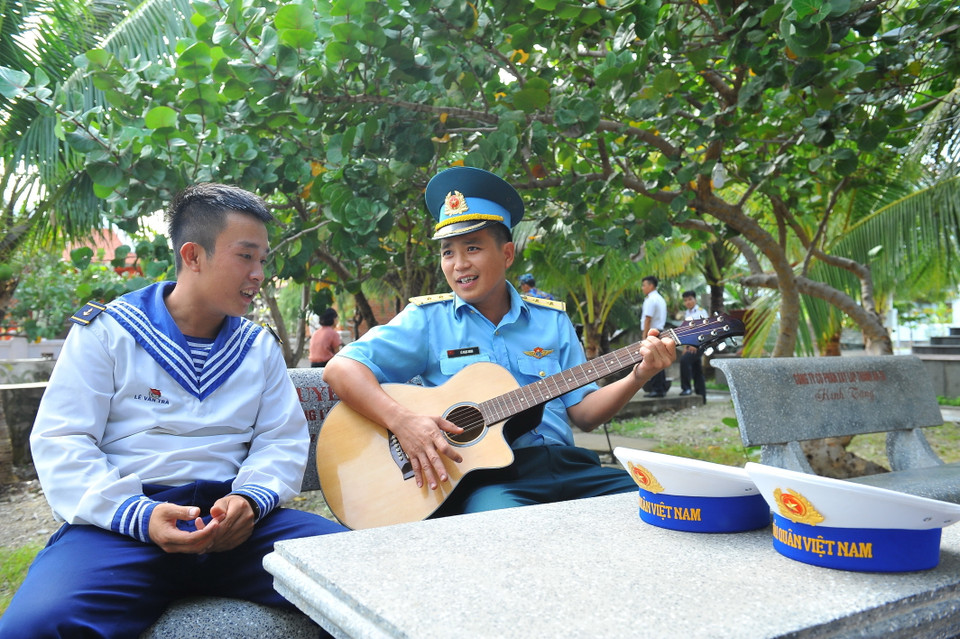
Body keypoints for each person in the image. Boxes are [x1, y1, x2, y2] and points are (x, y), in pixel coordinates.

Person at [0, 183, 346, 639]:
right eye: (246, 256)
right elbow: (62, 438)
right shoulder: (109, 333)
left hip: (239, 524)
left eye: (263, 259)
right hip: (122, 526)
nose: (259, 273)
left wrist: (250, 499)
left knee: (367, 572)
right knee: (33, 626)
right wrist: (138, 515)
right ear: (192, 254)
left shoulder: (257, 347)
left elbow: (280, 439)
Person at [322, 166, 676, 515]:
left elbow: (584, 414)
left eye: (472, 248)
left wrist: (638, 375)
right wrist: (403, 422)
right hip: (490, 482)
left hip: (568, 467)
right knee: (505, 529)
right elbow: (340, 369)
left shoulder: (552, 319)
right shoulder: (427, 320)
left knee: (662, 501)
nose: (459, 264)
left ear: (506, 254)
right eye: (448, 252)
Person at [640, 275, 669, 398]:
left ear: (651, 286)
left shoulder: (651, 300)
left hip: (652, 332)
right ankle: (660, 388)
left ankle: (657, 389)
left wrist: (644, 337)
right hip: (660, 331)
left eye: (644, 285)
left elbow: (648, 319)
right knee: (658, 360)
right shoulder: (660, 298)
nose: (642, 288)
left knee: (653, 360)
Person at [679, 290, 708, 399]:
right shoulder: (687, 313)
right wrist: (685, 347)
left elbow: (704, 329)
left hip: (699, 344)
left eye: (690, 299)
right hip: (690, 344)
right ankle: (701, 395)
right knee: (696, 367)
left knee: (684, 361)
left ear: (695, 300)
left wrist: (695, 345)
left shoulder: (701, 312)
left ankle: (686, 388)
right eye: (685, 300)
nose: (688, 302)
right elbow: (687, 332)